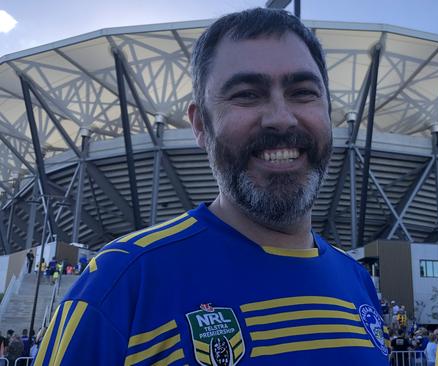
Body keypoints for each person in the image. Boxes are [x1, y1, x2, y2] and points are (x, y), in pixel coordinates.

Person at [34, 8, 389, 366]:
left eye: (303, 92)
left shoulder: (357, 281)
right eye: (248, 94)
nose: (281, 118)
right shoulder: (122, 282)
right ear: (201, 125)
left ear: (330, 112)